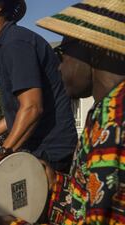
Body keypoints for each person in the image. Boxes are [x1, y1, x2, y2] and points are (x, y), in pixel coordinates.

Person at [0, 0, 78, 172]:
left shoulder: (15, 43)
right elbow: (21, 109)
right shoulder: (7, 44)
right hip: (39, 152)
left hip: (50, 155)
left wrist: (1, 156)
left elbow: (32, 109)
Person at [34, 1, 125, 224]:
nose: (59, 66)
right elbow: (91, 201)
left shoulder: (114, 119)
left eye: (62, 53)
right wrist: (56, 185)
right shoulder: (104, 110)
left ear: (93, 50)